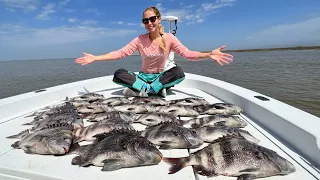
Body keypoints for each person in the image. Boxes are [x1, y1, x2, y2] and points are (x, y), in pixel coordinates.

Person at [75, 6, 233, 98]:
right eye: (145, 20)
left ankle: (145, 90)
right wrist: (95, 57)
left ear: (158, 19)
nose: (149, 23)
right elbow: (119, 53)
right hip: (143, 77)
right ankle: (150, 89)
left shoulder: (169, 38)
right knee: (119, 73)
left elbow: (187, 54)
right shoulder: (139, 40)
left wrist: (209, 55)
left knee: (179, 72)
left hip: (160, 77)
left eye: (152, 19)